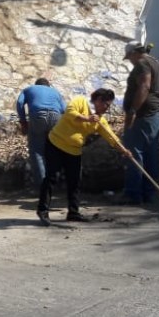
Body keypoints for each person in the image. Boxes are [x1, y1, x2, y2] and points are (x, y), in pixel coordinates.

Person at [37, 88, 131, 225]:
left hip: (74, 151)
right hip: (55, 144)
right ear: (99, 100)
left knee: (74, 181)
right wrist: (87, 118)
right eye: (106, 105)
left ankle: (73, 213)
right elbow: (70, 113)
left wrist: (124, 150)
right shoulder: (80, 101)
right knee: (52, 177)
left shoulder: (100, 121)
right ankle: (43, 211)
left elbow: (111, 137)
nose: (107, 108)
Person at [122, 40, 159, 204]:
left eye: (129, 57)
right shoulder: (156, 63)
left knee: (133, 153)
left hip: (144, 114)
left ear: (134, 53)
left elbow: (144, 86)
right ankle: (148, 193)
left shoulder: (142, 64)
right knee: (150, 153)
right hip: (155, 113)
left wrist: (133, 111)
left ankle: (133, 194)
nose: (130, 61)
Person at [16, 77, 66, 190]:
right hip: (56, 117)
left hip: (38, 115)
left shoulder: (29, 89)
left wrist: (23, 122)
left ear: (36, 84)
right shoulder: (56, 92)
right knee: (55, 150)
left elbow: (19, 103)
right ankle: (56, 182)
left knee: (37, 151)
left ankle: (44, 186)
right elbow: (64, 109)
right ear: (48, 85)